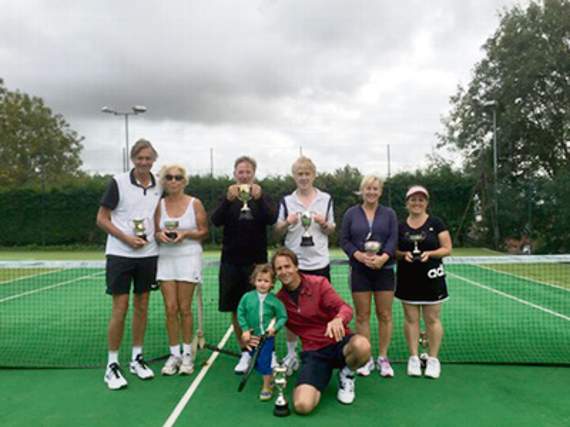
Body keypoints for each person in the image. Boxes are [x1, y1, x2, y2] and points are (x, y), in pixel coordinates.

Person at [96, 139, 162, 390]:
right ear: (133, 159)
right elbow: (102, 219)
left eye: (148, 158)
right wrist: (126, 238)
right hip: (120, 254)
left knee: (142, 306)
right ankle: (112, 364)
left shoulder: (159, 185)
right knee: (120, 308)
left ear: (154, 160)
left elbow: (161, 216)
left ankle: (137, 358)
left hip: (149, 254)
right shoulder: (118, 182)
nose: (144, 162)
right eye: (139, 158)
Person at [271, 248, 370, 414]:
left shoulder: (319, 284)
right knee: (302, 406)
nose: (284, 271)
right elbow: (265, 323)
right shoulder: (279, 301)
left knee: (362, 345)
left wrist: (339, 319)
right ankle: (321, 376)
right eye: (279, 268)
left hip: (339, 341)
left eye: (287, 266)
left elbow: (345, 308)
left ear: (296, 266)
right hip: (314, 352)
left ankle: (347, 373)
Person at [211, 156, 277, 374]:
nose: (244, 175)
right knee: (237, 309)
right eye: (241, 171)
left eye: (248, 172)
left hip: (257, 263)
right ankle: (245, 352)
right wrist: (227, 200)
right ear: (235, 174)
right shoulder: (228, 195)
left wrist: (261, 198)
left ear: (253, 174)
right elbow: (216, 220)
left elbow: (272, 219)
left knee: (262, 308)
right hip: (231, 262)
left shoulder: (261, 195)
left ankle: (266, 350)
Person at [273, 156, 335, 375]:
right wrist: (286, 222)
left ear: (314, 175)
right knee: (291, 312)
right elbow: (277, 231)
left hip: (319, 262)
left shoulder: (326, 199)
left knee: (322, 310)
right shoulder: (286, 201)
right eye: (300, 174)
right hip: (294, 265)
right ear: (294, 176)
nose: (304, 178)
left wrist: (323, 223)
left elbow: (331, 229)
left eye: (307, 174)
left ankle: (321, 350)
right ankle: (291, 354)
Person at [340, 175, 398, 377]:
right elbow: (344, 240)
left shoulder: (389, 214)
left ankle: (383, 357)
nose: (371, 192)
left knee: (385, 315)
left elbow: (393, 239)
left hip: (384, 269)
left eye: (375, 188)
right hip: (360, 270)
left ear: (380, 192)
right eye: (368, 188)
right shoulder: (351, 213)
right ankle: (366, 359)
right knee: (362, 315)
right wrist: (358, 255)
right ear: (362, 190)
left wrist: (383, 257)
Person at [154, 164, 208, 376]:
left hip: (189, 257)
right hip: (166, 258)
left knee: (185, 308)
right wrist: (159, 235)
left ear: (184, 181)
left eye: (178, 177)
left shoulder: (195, 203)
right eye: (169, 177)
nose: (173, 181)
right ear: (163, 181)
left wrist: (185, 235)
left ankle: (187, 354)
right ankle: (174, 354)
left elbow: (203, 231)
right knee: (170, 308)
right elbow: (154, 231)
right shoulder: (159, 204)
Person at [395, 185, 452, 379]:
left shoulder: (436, 223)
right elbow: (393, 251)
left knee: (432, 320)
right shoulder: (400, 226)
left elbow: (447, 249)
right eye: (413, 199)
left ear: (426, 202)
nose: (417, 203)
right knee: (411, 319)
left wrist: (431, 253)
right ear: (407, 203)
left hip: (432, 278)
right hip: (407, 279)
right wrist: (403, 254)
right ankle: (413, 357)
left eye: (421, 199)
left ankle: (433, 359)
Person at [237, 264, 288, 400]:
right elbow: (240, 313)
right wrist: (245, 330)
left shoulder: (274, 301)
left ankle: (267, 386)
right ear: (254, 281)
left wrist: (275, 328)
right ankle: (270, 375)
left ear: (272, 283)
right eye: (259, 280)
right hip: (252, 337)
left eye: (266, 281)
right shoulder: (247, 297)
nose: (262, 284)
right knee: (256, 360)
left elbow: (283, 317)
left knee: (264, 360)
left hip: (267, 338)